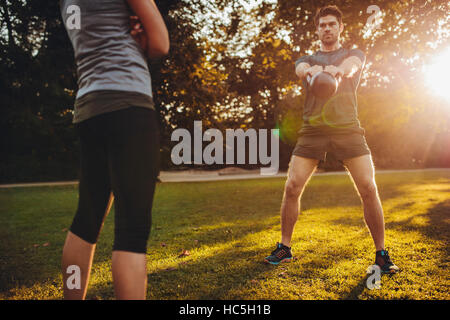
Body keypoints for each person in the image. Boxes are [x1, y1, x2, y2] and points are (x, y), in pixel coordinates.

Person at [264, 5, 399, 274]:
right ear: (317, 30)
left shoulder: (353, 54)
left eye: (331, 24)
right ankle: (285, 248)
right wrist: (313, 72)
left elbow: (353, 66)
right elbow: (301, 69)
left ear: (339, 28)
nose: (327, 28)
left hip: (347, 128)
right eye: (322, 25)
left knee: (368, 188)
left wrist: (337, 71)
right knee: (292, 186)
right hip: (313, 130)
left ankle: (381, 254)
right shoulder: (307, 58)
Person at [60, 0, 169, 299]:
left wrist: (133, 32)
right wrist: (143, 36)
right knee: (132, 231)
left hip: (88, 108)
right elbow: (160, 44)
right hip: (127, 104)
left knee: (86, 219)